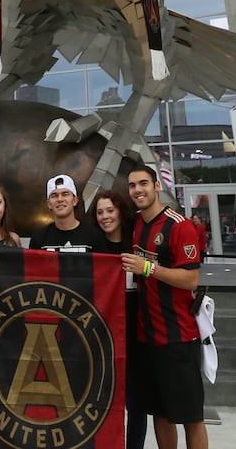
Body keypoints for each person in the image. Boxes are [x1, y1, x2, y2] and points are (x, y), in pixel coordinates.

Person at [122, 166, 207, 449]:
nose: (138, 190)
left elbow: (190, 278)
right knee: (160, 414)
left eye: (143, 183)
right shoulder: (135, 224)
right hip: (148, 338)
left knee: (191, 417)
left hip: (179, 338)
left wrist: (147, 267)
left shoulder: (178, 225)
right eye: (133, 185)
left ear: (157, 185)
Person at [93, 188, 146, 449]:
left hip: (135, 333)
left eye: (110, 210)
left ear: (120, 212)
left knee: (136, 403)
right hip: (102, 335)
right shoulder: (94, 245)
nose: (105, 217)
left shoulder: (137, 242)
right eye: (100, 212)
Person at [29, 173, 102, 250]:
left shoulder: (94, 236)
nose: (60, 199)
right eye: (54, 195)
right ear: (49, 204)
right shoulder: (38, 239)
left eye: (65, 194)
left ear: (74, 201)